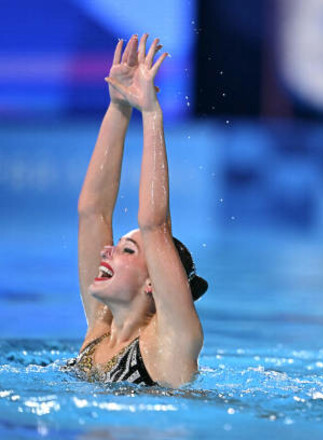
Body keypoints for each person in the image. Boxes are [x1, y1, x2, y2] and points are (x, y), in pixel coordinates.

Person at [68, 34, 208, 388]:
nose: (106, 249)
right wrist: (118, 107)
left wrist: (150, 112)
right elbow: (93, 212)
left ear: (153, 283)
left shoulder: (170, 343)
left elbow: (154, 225)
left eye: (126, 249)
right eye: (121, 246)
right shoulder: (101, 331)